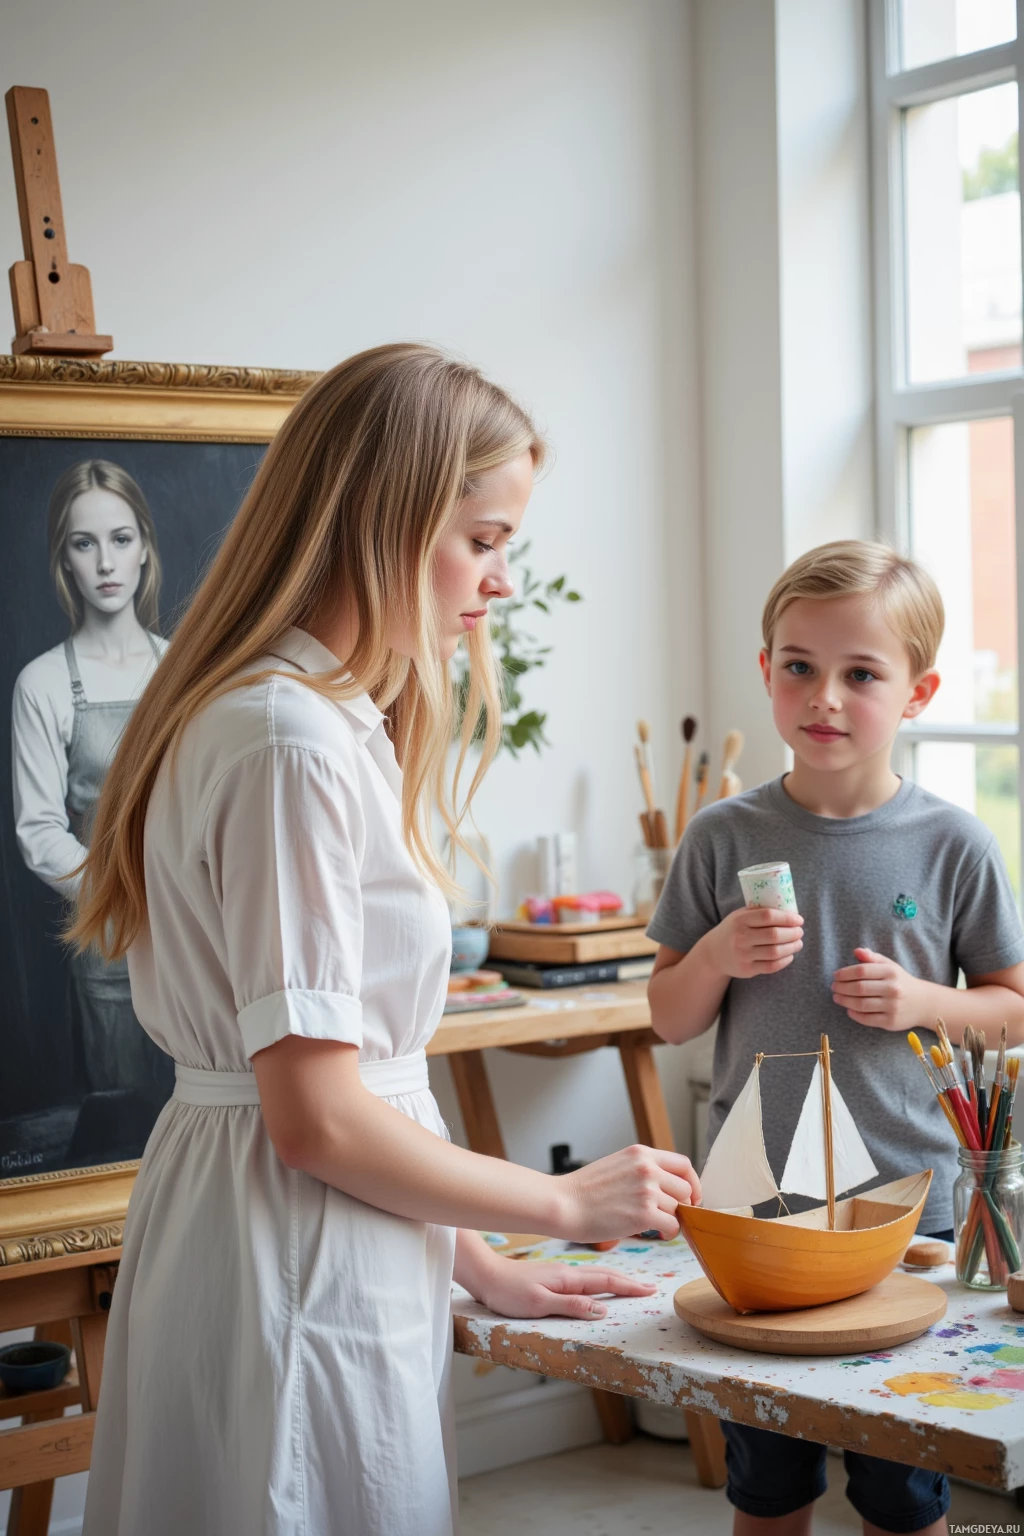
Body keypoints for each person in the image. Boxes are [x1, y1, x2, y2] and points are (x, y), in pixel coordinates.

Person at [73, 344, 701, 1536]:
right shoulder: (285, 743)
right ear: (387, 516)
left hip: (297, 1236)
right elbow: (318, 1118)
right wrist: (560, 1204)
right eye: (485, 537)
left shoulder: (308, 722)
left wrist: (481, 1264)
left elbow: (358, 1095)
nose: (499, 582)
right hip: (293, 1255)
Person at [647, 539, 1024, 1536]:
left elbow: (1012, 1008)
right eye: (799, 666)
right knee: (765, 1483)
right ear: (764, 671)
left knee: (903, 1490)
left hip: (909, 1210)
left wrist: (923, 1004)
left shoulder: (953, 844)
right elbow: (667, 1016)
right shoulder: (720, 838)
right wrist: (716, 955)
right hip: (755, 1214)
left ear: (918, 691)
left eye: (861, 674)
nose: (824, 697)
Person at [12, 460, 172, 1110]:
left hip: (203, 938)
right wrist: (124, 903)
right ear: (65, 561)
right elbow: (39, 834)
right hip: (110, 943)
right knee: (127, 1119)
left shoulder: (185, 669)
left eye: (120, 539)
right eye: (85, 543)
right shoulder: (43, 683)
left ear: (144, 551)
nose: (105, 561)